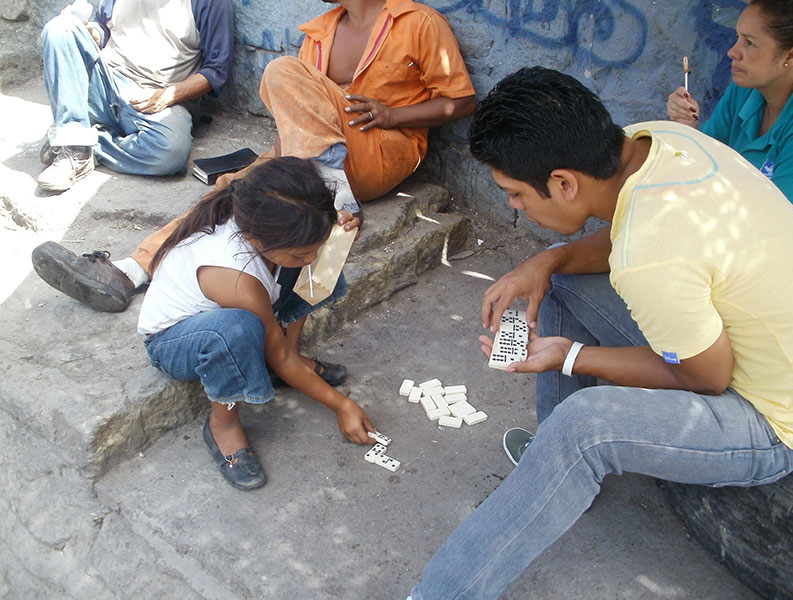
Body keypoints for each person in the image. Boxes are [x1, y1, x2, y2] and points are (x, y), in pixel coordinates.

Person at [408, 67, 793, 600]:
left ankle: (439, 594)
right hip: (756, 339)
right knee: (564, 281)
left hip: (773, 417)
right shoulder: (659, 140)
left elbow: (707, 378)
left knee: (583, 429)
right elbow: (624, 239)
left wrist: (570, 356)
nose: (514, 207)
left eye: (517, 194)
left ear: (564, 182)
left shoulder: (652, 254)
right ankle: (555, 470)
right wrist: (546, 260)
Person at [31, 0, 475, 311]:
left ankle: (335, 193)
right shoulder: (319, 32)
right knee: (231, 189)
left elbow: (461, 102)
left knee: (280, 69)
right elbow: (302, 116)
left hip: (384, 151)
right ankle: (129, 272)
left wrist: (393, 114)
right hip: (314, 158)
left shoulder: (419, 22)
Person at [137, 157, 375, 490]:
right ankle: (224, 423)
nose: (309, 261)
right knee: (239, 330)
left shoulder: (273, 218)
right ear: (257, 242)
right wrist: (342, 405)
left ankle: (286, 363)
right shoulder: (234, 279)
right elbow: (268, 345)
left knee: (327, 251)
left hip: (244, 309)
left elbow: (315, 243)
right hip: (179, 342)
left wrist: (336, 234)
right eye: (298, 255)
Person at [36, 0, 234, 192]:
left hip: (156, 94)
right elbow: (104, 28)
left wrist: (168, 95)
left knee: (169, 153)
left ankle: (84, 141)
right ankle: (74, 148)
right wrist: (93, 33)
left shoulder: (211, 3)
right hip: (106, 81)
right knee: (60, 28)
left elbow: (216, 71)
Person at [667, 0, 793, 206]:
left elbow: (780, 217)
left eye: (749, 43)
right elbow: (703, 164)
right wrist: (686, 130)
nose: (732, 52)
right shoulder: (744, 91)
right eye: (738, 37)